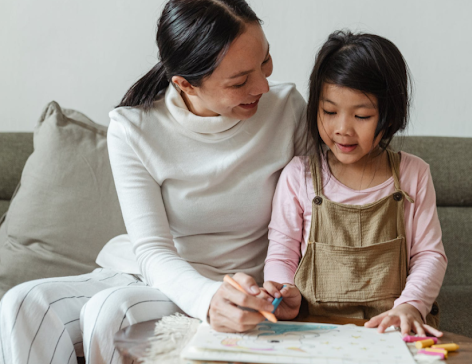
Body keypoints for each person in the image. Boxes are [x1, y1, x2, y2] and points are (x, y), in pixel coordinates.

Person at [0, 1, 307, 363]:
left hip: (237, 282)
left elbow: (316, 209)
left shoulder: (286, 108)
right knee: (21, 304)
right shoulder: (133, 128)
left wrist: (284, 286)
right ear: (184, 84)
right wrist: (207, 299)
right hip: (154, 274)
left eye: (265, 61)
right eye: (240, 81)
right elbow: (152, 250)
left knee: (109, 313)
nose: (263, 84)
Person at [261, 30, 448, 337]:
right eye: (329, 112)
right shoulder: (299, 176)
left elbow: (429, 255)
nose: (342, 129)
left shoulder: (413, 174)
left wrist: (411, 305)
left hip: (391, 330)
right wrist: (283, 291)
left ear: (389, 116)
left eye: (361, 115)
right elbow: (281, 255)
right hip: (313, 329)